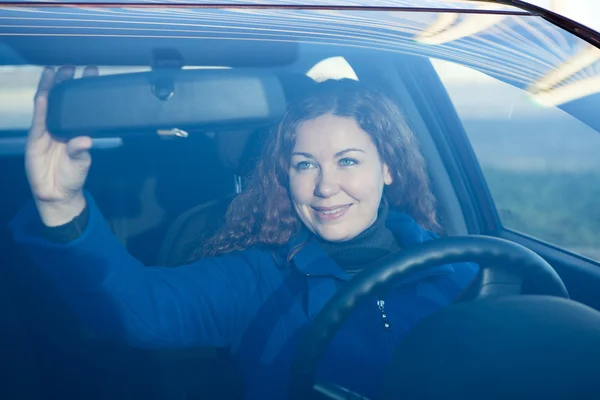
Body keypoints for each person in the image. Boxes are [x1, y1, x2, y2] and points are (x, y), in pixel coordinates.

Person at [9, 66, 479, 400]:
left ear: (389, 168)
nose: (325, 186)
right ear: (285, 175)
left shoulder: (461, 270)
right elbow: (137, 308)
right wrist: (61, 205)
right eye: (304, 165)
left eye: (348, 161)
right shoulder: (260, 277)